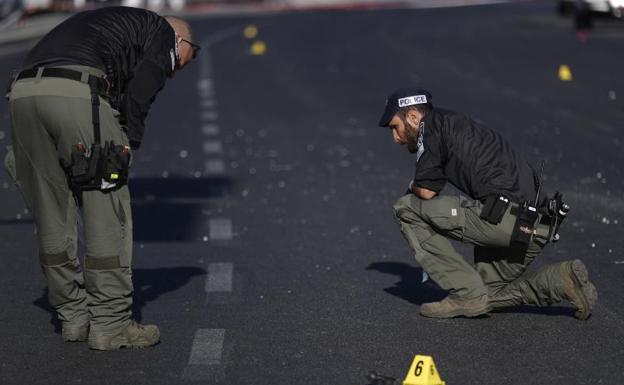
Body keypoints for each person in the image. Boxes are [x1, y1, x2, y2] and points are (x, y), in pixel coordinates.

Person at [4, 6, 199, 350]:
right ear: (180, 39)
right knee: (106, 208)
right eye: (190, 55)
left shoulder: (103, 24)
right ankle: (110, 325)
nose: (182, 67)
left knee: (52, 214)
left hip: (23, 95)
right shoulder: (163, 32)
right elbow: (143, 89)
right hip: (76, 91)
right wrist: (126, 145)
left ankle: (74, 318)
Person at [378, 87, 597, 319]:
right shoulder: (455, 124)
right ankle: (563, 281)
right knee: (487, 293)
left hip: (507, 219)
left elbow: (425, 191)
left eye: (395, 127)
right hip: (538, 228)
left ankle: (466, 293)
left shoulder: (430, 127)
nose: (396, 138)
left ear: (412, 116)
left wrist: (412, 186)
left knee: (406, 207)